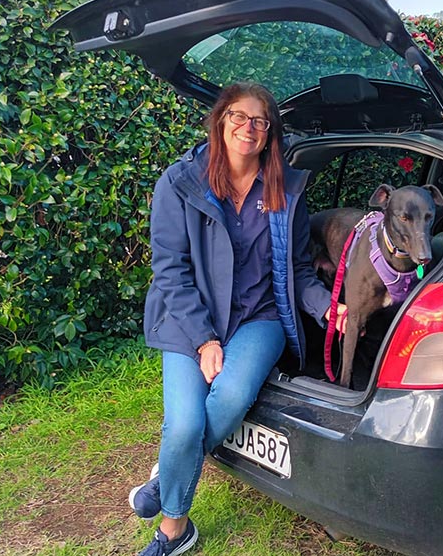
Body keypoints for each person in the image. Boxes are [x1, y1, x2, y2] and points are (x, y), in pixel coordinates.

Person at [128, 82, 343, 556]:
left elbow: (300, 270)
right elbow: (170, 271)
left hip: (259, 317)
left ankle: (171, 525)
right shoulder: (180, 183)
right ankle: (176, 471)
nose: (249, 127)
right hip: (190, 320)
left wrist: (326, 305)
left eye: (260, 121)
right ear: (221, 121)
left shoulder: (286, 187)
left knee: (229, 398)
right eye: (239, 117)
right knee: (182, 427)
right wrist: (205, 339)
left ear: (270, 133)